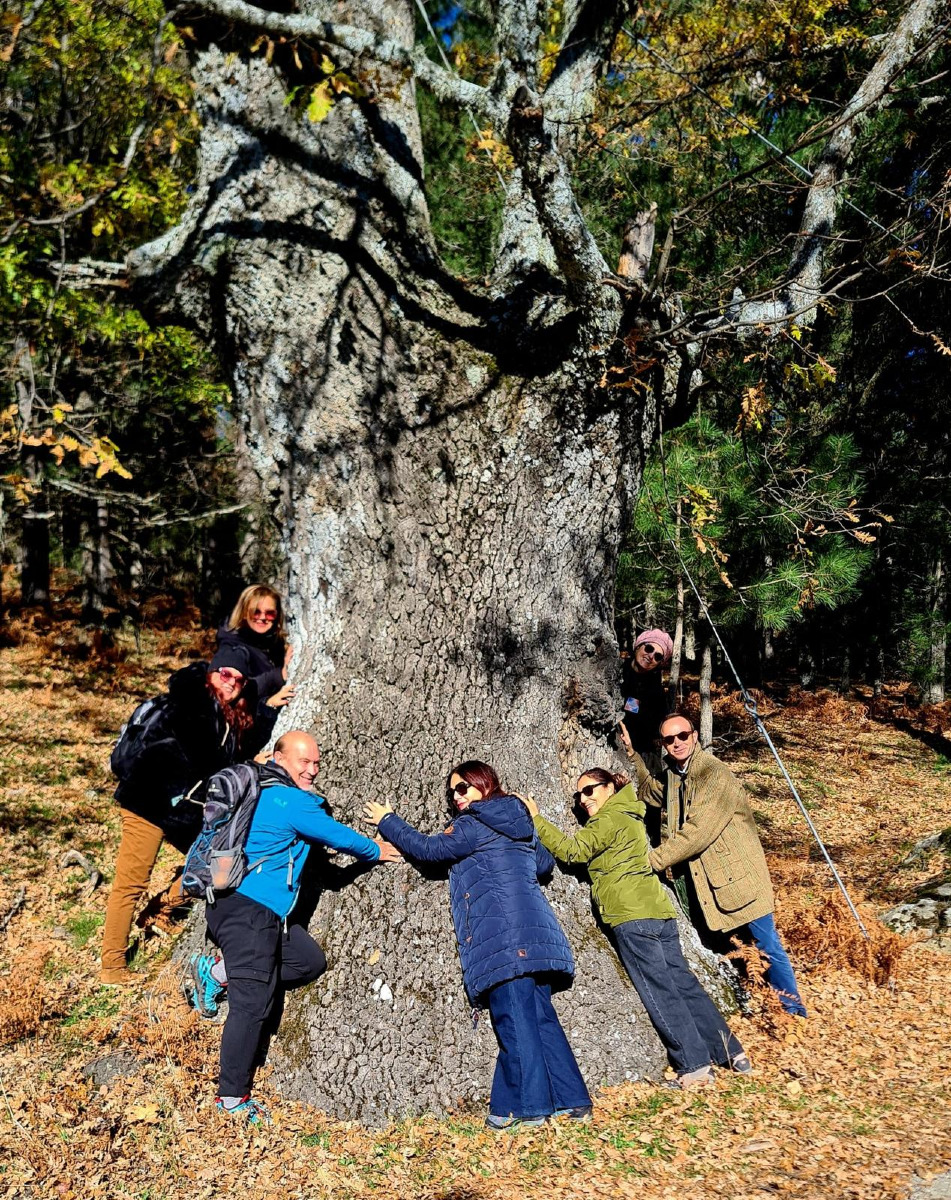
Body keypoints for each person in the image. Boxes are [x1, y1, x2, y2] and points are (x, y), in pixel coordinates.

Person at [363, 760, 591, 1132]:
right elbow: (543, 864)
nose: (456, 797)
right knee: (540, 1018)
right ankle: (572, 1100)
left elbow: (428, 849)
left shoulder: (474, 823)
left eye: (463, 787)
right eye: (452, 791)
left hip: (502, 939)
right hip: (537, 938)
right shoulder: (518, 820)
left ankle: (526, 1109)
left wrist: (388, 820)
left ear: (484, 784)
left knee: (514, 1021)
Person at [189, 730, 400, 1125]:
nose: (313, 769)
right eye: (304, 761)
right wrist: (376, 849)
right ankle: (231, 1099)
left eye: (317, 762)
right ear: (279, 758)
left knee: (307, 960)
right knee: (253, 1005)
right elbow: (336, 835)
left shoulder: (264, 792)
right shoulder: (287, 799)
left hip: (244, 909)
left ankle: (217, 972)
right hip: (249, 911)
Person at [526, 768, 751, 1088]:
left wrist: (537, 819)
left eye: (589, 790)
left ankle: (695, 1067)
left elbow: (572, 852)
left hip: (631, 916)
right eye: (578, 795)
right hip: (659, 912)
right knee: (684, 984)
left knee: (661, 991)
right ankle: (730, 1051)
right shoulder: (631, 815)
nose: (583, 799)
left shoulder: (608, 819)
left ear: (609, 788)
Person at [100, 644, 274, 986]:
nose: (231, 682)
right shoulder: (192, 703)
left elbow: (224, 756)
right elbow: (208, 761)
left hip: (183, 810)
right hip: (149, 801)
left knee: (215, 865)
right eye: (226, 674)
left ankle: (160, 908)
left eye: (239, 680)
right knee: (131, 883)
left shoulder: (225, 712)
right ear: (212, 672)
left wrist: (270, 704)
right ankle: (112, 965)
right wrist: (250, 766)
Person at [636, 715, 807, 1017]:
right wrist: (631, 755)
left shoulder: (714, 774)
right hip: (709, 882)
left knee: (765, 944)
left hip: (740, 878)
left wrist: (652, 861)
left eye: (682, 735)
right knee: (734, 946)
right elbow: (653, 792)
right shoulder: (676, 775)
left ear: (694, 735)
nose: (677, 743)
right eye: (669, 739)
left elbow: (697, 833)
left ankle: (793, 1011)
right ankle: (755, 996)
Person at [216, 584, 295, 710]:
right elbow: (231, 696)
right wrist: (279, 676)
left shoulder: (274, 643)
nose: (263, 618)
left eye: (270, 613)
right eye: (255, 612)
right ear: (243, 613)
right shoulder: (232, 649)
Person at [618, 628, 674, 774]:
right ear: (638, 646)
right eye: (649, 648)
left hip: (641, 754)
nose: (650, 656)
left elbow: (645, 722)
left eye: (658, 656)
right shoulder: (614, 669)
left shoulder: (656, 692)